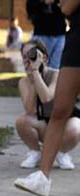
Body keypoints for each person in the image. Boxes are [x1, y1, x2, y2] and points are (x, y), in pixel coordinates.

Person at [14, 0, 80, 196]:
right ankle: (42, 177)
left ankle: (43, 176)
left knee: (61, 110)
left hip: (75, 38)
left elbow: (66, 7)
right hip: (77, 37)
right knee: (60, 110)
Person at [15, 40, 78, 171]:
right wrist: (33, 78)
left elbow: (46, 97)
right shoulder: (24, 82)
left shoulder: (56, 75)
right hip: (44, 126)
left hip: (63, 126)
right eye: (24, 56)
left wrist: (36, 72)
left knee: (77, 127)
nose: (28, 60)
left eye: (32, 55)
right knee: (21, 121)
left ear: (43, 57)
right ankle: (36, 153)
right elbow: (31, 110)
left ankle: (60, 153)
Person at [26, 0, 68, 69]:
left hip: (60, 33)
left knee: (55, 67)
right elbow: (30, 9)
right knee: (39, 65)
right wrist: (44, 2)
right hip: (42, 33)